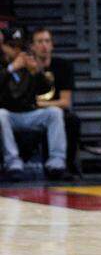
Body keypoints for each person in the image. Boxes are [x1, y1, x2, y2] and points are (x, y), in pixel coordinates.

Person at [0, 29, 67, 180]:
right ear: (3, 46)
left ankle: (56, 162)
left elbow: (45, 90)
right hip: (10, 115)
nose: (16, 51)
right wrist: (11, 69)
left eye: (19, 47)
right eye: (12, 46)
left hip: (30, 113)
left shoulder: (30, 63)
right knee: (0, 115)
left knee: (55, 113)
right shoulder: (3, 65)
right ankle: (13, 162)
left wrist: (37, 72)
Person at [30, 28, 79, 175]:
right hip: (29, 114)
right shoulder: (27, 67)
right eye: (39, 42)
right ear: (32, 46)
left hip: (52, 111)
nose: (44, 46)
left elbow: (65, 102)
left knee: (71, 120)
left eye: (47, 41)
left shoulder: (63, 66)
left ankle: (66, 165)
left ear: (52, 45)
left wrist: (39, 104)